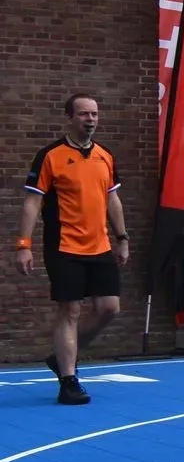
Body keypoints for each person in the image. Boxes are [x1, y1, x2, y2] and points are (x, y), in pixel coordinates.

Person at [17, 94, 129, 405]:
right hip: (64, 245)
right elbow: (32, 202)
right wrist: (23, 245)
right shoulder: (50, 156)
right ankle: (68, 380)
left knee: (109, 308)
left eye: (94, 114)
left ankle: (62, 355)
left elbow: (112, 200)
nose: (90, 119)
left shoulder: (105, 156)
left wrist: (122, 238)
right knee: (71, 310)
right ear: (70, 117)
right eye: (83, 114)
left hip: (101, 245)